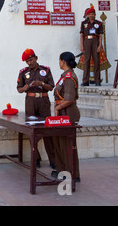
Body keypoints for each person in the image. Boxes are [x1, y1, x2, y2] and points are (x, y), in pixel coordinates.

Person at [17, 49, 56, 168]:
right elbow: (19, 89)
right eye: (27, 61)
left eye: (31, 60)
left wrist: (41, 84)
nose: (29, 63)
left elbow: (51, 87)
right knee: (32, 129)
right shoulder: (23, 72)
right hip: (30, 101)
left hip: (43, 101)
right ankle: (36, 158)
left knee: (47, 130)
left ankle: (53, 160)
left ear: (36, 58)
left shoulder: (46, 70)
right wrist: (25, 88)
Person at [52, 51, 81, 182]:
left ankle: (72, 173)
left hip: (68, 112)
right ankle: (62, 169)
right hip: (63, 112)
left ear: (63, 61)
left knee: (68, 145)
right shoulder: (64, 76)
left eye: (59, 60)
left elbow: (69, 98)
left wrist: (58, 107)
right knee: (60, 142)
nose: (59, 62)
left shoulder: (69, 77)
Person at [80, 4, 103, 86]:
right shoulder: (84, 23)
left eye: (92, 14)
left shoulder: (99, 23)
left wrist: (100, 45)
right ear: (87, 15)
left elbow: (100, 35)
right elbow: (81, 35)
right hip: (87, 41)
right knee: (86, 61)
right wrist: (82, 45)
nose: (91, 15)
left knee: (97, 61)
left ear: (95, 14)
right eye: (90, 14)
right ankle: (85, 80)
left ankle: (97, 80)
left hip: (95, 41)